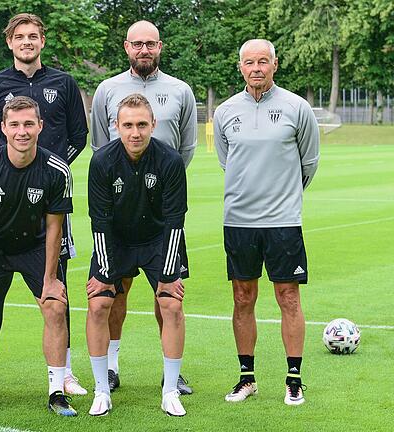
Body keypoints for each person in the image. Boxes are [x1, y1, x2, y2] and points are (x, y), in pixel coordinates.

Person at [0, 12, 89, 397]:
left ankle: (64, 372)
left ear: (42, 40)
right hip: (3, 202)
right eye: (19, 36)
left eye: (33, 36)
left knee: (57, 289)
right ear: (10, 42)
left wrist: (50, 172)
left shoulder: (63, 83)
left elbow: (78, 135)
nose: (26, 42)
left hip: (48, 198)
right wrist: (10, 174)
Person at [89, 20, 197, 394]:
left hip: (162, 207)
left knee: (166, 294)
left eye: (150, 44)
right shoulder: (107, 89)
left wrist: (159, 181)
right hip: (119, 211)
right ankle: (112, 367)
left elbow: (184, 152)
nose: (144, 50)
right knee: (113, 295)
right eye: (137, 44)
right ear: (126, 47)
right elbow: (102, 147)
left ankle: (172, 374)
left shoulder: (180, 90)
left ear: (160, 46)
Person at [213, 39, 319, 406]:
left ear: (275, 64)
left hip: (283, 222)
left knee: (288, 296)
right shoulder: (226, 111)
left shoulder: (297, 107)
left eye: (263, 61)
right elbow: (228, 162)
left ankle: (294, 378)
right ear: (240, 67)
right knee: (243, 297)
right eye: (248, 62)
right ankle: (247, 378)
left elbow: (309, 163)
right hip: (238, 221)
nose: (255, 68)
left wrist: (283, 197)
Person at [0, 96, 77, 419]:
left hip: (34, 247)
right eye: (14, 125)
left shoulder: (57, 169)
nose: (21, 131)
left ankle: (56, 391)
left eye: (28, 124)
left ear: (40, 126)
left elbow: (55, 229)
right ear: (3, 128)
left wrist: (51, 279)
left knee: (55, 307)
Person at [86, 93, 188, 417]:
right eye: (128, 125)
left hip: (159, 239)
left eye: (142, 124)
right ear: (116, 126)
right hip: (115, 240)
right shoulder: (102, 161)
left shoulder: (170, 161)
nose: (135, 132)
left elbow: (175, 222)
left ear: (153, 125)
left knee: (171, 303)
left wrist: (169, 277)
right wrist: (103, 273)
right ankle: (102, 388)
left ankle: (170, 390)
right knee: (100, 302)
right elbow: (99, 222)